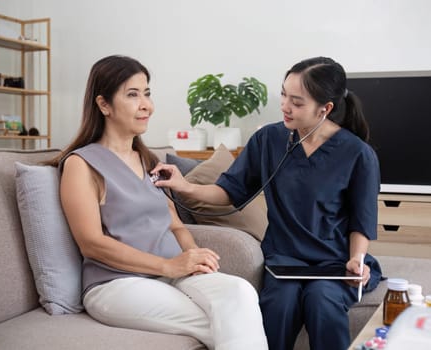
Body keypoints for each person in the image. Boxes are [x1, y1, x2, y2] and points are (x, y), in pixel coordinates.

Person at [153, 56, 383, 350]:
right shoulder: (267, 140)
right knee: (280, 305)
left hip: (334, 262)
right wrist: (183, 186)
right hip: (284, 260)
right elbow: (229, 191)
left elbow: (361, 220)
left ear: (325, 109)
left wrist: (356, 260)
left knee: (322, 301)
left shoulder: (358, 154)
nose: (285, 106)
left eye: (297, 102)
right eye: (284, 95)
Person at [47, 55, 268, 350]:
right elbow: (91, 243)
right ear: (103, 105)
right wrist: (169, 265)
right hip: (117, 284)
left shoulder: (150, 161)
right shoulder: (82, 164)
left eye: (147, 93)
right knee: (229, 321)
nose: (146, 105)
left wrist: (194, 257)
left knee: (240, 293)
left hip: (173, 275)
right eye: (132, 94)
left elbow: (176, 226)